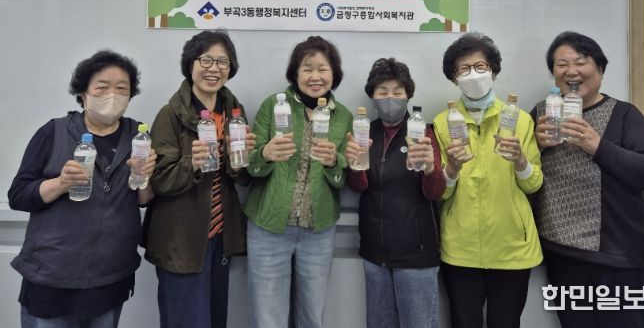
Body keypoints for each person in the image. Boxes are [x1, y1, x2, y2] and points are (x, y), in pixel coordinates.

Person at [8, 50, 156, 328]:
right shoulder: (53, 132)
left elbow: (144, 199)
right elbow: (18, 196)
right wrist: (61, 183)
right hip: (52, 279)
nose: (112, 95)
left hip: (111, 278)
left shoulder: (138, 136)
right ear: (83, 93)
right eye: (102, 87)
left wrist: (145, 177)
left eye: (121, 89)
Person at [531, 31, 644, 328]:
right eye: (561, 64)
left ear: (601, 69)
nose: (571, 71)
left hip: (619, 259)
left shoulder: (623, 114)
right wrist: (536, 146)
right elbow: (522, 175)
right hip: (561, 255)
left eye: (581, 62)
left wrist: (598, 146)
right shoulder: (542, 113)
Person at [142, 30, 256, 328]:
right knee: (186, 321)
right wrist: (191, 163)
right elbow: (160, 180)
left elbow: (243, 179)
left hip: (220, 236)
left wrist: (242, 157)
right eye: (206, 60)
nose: (214, 68)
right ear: (190, 64)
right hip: (180, 238)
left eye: (222, 62)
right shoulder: (170, 114)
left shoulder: (234, 112)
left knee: (215, 319)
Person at [432, 32, 543, 328]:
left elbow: (534, 184)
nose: (473, 74)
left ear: (493, 70)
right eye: (464, 69)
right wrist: (452, 169)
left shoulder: (520, 120)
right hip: (460, 248)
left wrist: (520, 162)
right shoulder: (442, 123)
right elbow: (439, 193)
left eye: (480, 66)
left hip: (512, 248)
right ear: (454, 77)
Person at [244, 36, 353, 328]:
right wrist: (265, 155)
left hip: (318, 231)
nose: (315, 76)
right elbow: (250, 167)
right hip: (268, 227)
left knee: (312, 317)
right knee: (268, 319)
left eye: (323, 69)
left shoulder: (343, 116)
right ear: (295, 73)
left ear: (334, 74)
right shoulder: (273, 105)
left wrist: (334, 163)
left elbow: (342, 179)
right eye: (307, 68)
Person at [344, 58, 445, 328]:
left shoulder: (424, 132)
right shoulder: (364, 132)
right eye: (382, 92)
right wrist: (354, 164)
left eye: (397, 92)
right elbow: (359, 186)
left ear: (408, 95)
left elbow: (436, 191)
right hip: (374, 252)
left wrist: (429, 169)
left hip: (416, 254)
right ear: (372, 96)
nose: (390, 98)